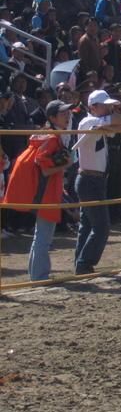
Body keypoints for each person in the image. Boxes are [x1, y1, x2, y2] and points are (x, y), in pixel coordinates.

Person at [1, 100, 73, 280]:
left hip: (43, 191)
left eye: (67, 113)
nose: (68, 116)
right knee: (43, 237)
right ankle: (39, 276)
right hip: (45, 192)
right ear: (52, 117)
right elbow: (45, 168)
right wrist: (65, 164)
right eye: (63, 113)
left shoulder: (47, 135)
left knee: (40, 236)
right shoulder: (51, 137)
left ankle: (38, 274)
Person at [74, 89, 121, 275]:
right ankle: (84, 263)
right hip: (89, 180)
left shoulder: (96, 122)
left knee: (87, 226)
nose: (109, 109)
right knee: (101, 227)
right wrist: (115, 113)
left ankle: (80, 263)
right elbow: (118, 120)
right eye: (105, 106)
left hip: (94, 180)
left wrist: (110, 121)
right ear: (93, 107)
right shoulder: (87, 121)